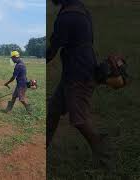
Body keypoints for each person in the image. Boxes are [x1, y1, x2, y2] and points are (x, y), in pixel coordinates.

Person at [47, 0, 114, 170]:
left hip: (78, 75)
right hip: (77, 71)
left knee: (78, 119)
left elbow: (53, 49)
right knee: (54, 110)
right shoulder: (79, 8)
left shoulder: (67, 16)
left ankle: (102, 149)